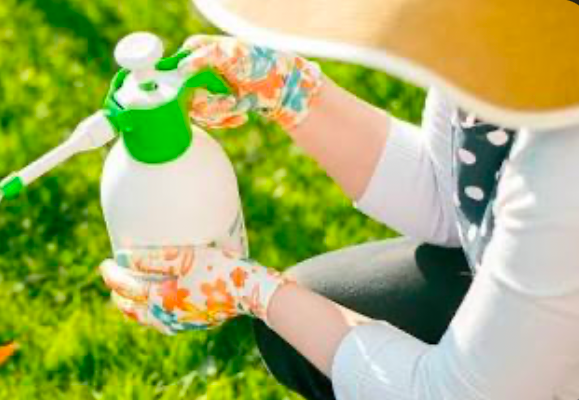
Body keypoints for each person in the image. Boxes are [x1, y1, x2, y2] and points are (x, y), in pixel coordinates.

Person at [96, 0, 579, 399]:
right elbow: (452, 200)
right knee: (317, 310)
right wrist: (291, 92)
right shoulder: (504, 35)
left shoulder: (565, 160)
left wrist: (252, 290)